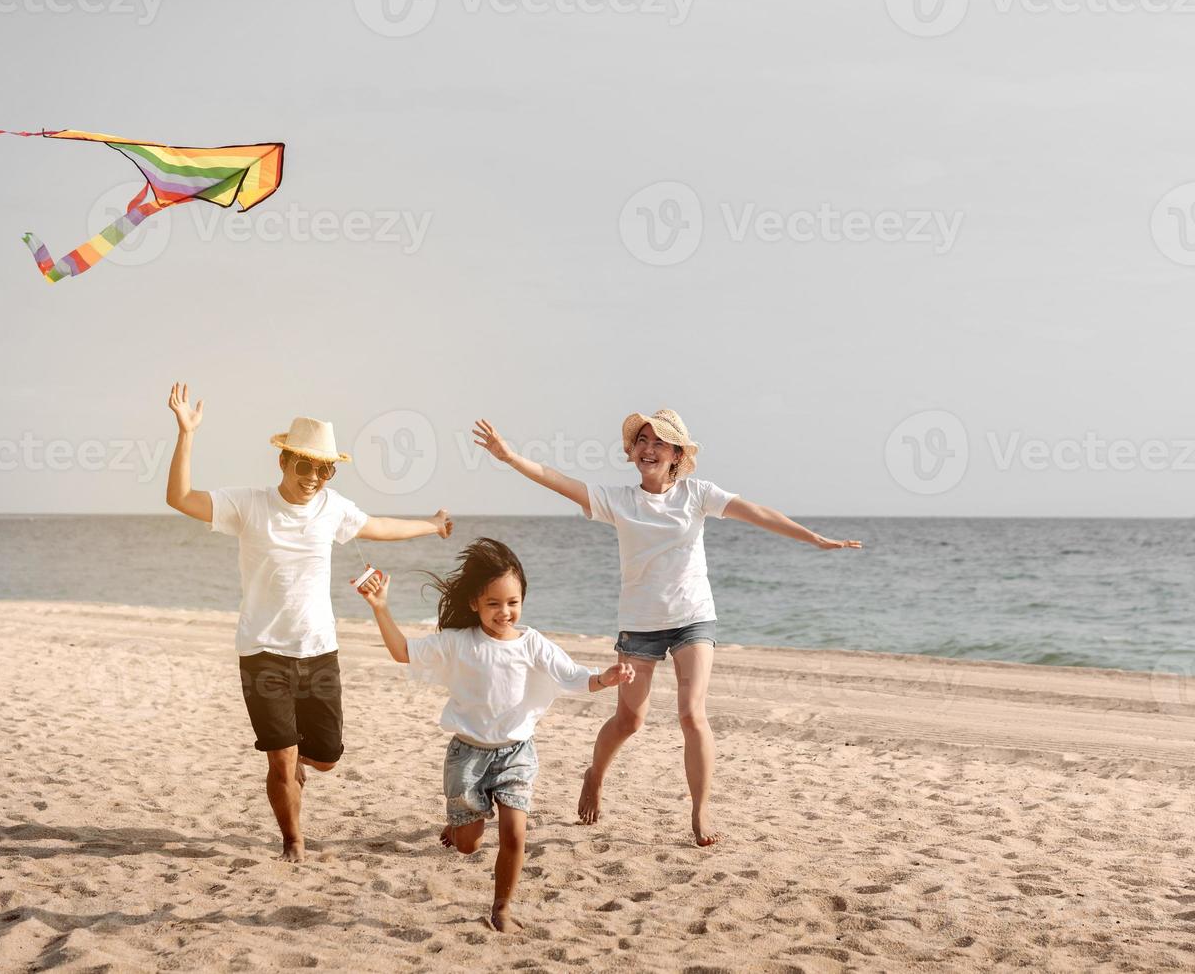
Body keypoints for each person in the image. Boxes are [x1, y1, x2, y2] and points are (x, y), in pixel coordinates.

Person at [471, 409, 860, 845]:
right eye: (642, 441)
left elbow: (757, 512)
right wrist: (509, 457)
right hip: (639, 625)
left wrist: (813, 538)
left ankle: (700, 810)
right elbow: (557, 480)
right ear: (632, 451)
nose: (649, 448)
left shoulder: (696, 494)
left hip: (694, 617)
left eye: (659, 442)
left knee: (692, 713)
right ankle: (595, 774)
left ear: (677, 454)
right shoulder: (618, 500)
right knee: (629, 720)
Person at [163, 382, 453, 862]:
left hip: (318, 650)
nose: (315, 476)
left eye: (325, 468)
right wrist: (186, 434)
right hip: (261, 652)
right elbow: (179, 497)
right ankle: (293, 840)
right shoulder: (248, 504)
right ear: (283, 461)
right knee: (280, 759)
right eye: (306, 466)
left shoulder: (332, 508)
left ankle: (300, 765)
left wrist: (433, 524)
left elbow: (381, 527)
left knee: (325, 758)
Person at [355, 539, 635, 933]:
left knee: (514, 834)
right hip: (467, 757)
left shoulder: (532, 642)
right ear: (474, 603)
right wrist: (380, 607)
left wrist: (606, 679)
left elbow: (572, 676)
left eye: (513, 602)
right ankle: (457, 828)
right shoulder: (458, 643)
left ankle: (501, 908)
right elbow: (403, 652)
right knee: (468, 845)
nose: (505, 612)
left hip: (517, 754)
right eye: (494, 604)